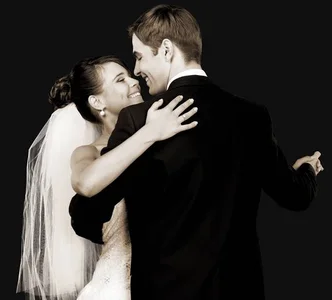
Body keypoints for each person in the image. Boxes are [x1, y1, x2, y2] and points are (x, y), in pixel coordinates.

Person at [68, 4, 323, 300]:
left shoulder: (140, 119)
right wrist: (307, 171)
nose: (136, 70)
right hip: (239, 290)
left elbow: (88, 210)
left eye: (139, 57)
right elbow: (294, 195)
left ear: (166, 50)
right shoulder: (252, 116)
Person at [16, 55, 198, 300]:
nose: (134, 81)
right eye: (120, 80)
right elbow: (85, 183)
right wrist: (151, 132)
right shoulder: (88, 152)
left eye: (130, 76)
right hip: (118, 287)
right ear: (97, 102)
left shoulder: (164, 129)